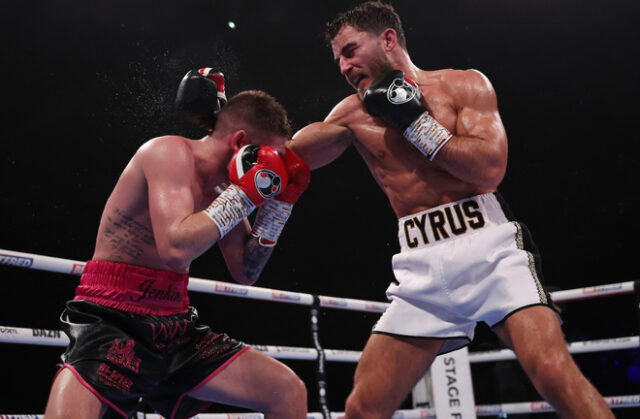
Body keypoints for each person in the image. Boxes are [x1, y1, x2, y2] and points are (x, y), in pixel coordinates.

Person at [289, 2, 615, 418]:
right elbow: (288, 158)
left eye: (351, 50)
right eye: (338, 58)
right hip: (420, 265)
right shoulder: (351, 114)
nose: (344, 66)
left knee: (552, 370)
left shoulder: (463, 86)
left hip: (489, 249)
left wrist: (415, 124)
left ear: (388, 39)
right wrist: (238, 151)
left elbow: (490, 168)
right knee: (364, 406)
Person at [44, 69, 310, 419]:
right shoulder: (168, 153)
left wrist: (278, 209)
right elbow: (176, 249)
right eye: (270, 157)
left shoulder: (223, 190)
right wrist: (245, 194)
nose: (273, 171)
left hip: (175, 325)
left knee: (287, 391)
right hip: (113, 316)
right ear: (240, 141)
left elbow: (246, 272)